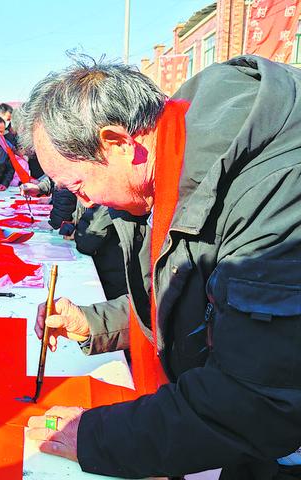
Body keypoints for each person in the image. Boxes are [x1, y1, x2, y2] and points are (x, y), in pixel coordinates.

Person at [22, 56, 301, 479]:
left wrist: (97, 437)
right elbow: (188, 294)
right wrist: (95, 323)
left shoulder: (272, 184)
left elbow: (256, 398)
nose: (85, 203)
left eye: (78, 185)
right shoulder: (177, 152)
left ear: (117, 143)